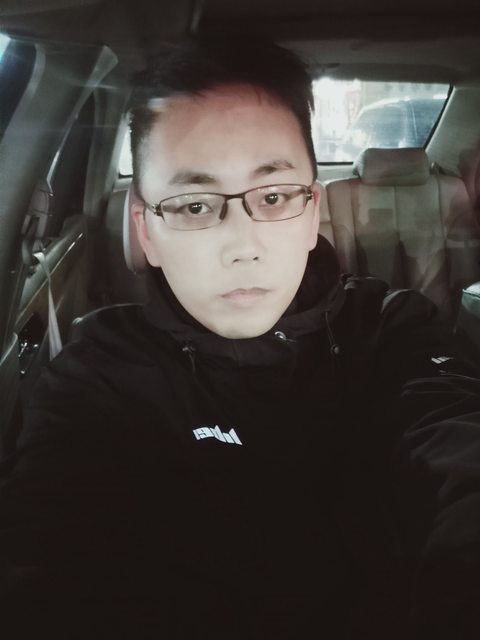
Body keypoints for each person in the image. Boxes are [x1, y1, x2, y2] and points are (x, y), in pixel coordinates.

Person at [1, 38, 480, 640]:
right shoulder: (96, 375)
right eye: (194, 205)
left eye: (273, 197)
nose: (242, 246)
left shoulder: (393, 329)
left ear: (312, 213)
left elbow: (455, 440)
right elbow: (49, 550)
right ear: (146, 233)